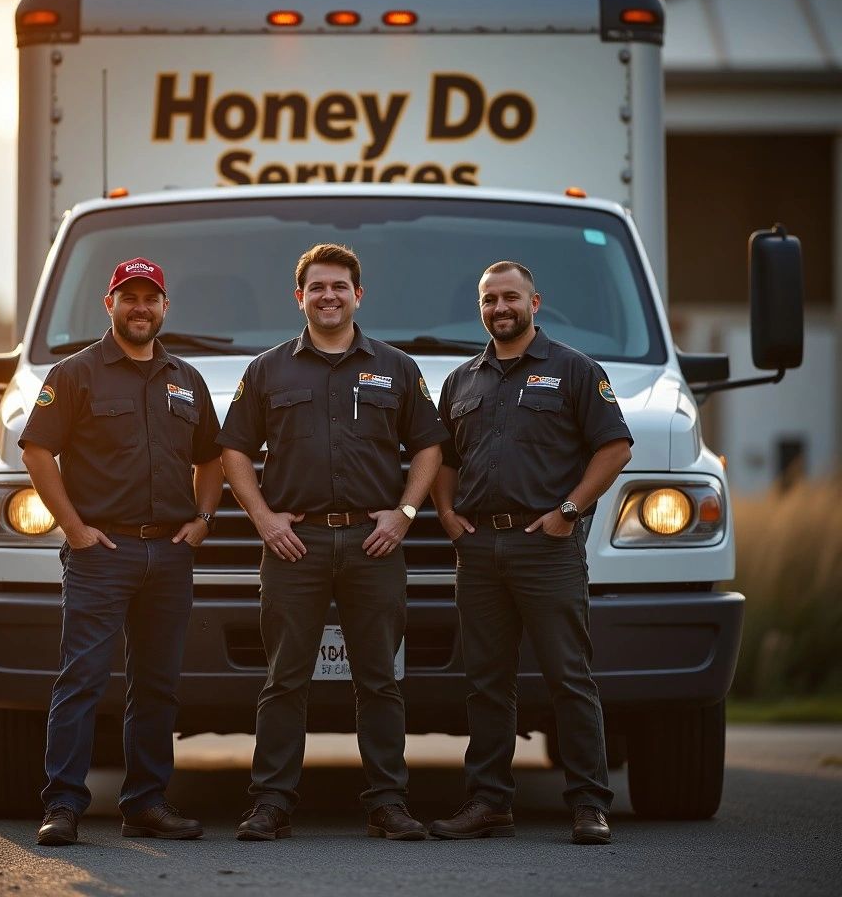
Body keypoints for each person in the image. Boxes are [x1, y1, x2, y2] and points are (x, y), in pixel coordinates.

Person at [219, 243, 448, 841]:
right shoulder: (267, 370)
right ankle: (271, 803)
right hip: (296, 547)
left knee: (379, 679)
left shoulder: (397, 367)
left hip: (374, 546)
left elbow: (429, 445)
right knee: (285, 679)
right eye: (317, 287)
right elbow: (234, 451)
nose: (328, 296)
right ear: (300, 297)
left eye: (339, 286)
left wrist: (403, 514)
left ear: (357, 295)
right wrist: (264, 520)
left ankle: (387, 804)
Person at [428, 260, 632, 846]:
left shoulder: (574, 370)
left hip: (546, 548)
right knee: (487, 681)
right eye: (490, 300)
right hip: (480, 549)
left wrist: (569, 512)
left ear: (535, 303)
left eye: (510, 298)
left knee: (569, 677)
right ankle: (489, 801)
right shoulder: (463, 380)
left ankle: (589, 803)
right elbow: (443, 458)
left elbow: (614, 448)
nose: (500, 308)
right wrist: (446, 516)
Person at [20, 257, 222, 846]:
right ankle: (62, 805)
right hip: (101, 554)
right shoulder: (75, 374)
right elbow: (37, 450)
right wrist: (75, 529)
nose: (140, 307)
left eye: (150, 298)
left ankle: (146, 803)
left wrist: (204, 520)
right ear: (109, 304)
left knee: (157, 684)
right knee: (82, 678)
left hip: (169, 555)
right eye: (128, 297)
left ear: (165, 308)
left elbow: (211, 456)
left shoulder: (186, 377)